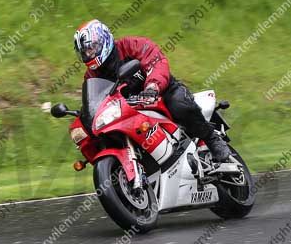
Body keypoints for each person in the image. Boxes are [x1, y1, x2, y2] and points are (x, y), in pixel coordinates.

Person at [73, 19, 231, 163]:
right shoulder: (91, 75)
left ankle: (211, 139)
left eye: (91, 48)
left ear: (104, 39)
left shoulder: (132, 46)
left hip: (161, 93)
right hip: (130, 112)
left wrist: (153, 87)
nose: (88, 54)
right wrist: (86, 116)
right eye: (84, 52)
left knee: (179, 105)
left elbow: (157, 62)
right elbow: (94, 99)